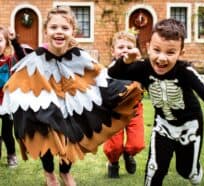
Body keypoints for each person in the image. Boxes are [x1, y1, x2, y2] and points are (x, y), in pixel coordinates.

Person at [0, 6, 142, 186]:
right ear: (46, 31)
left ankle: (65, 172)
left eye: (65, 28)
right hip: (46, 106)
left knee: (71, 136)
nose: (59, 32)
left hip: (71, 104)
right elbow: (19, 79)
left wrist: (126, 87)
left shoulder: (79, 56)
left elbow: (101, 77)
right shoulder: (35, 58)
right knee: (47, 137)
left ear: (73, 31)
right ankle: (49, 173)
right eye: (54, 27)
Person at [108, 18, 204, 186]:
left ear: (181, 53)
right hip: (163, 126)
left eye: (170, 52)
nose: (161, 58)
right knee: (154, 170)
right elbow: (112, 74)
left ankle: (193, 169)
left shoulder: (185, 71)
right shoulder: (142, 67)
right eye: (156, 50)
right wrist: (125, 62)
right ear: (147, 47)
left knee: (185, 170)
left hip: (190, 127)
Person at [103, 30, 145, 178]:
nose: (125, 50)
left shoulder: (140, 67)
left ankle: (129, 155)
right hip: (114, 111)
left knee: (137, 143)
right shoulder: (110, 70)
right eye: (121, 47)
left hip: (135, 109)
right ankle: (113, 162)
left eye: (129, 47)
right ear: (113, 51)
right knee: (113, 146)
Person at [0, 26, 30, 168]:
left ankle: (11, 155)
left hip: (6, 104)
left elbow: (23, 57)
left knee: (7, 132)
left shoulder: (10, 61)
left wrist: (15, 42)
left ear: (6, 43)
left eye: (0, 40)